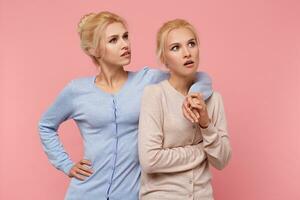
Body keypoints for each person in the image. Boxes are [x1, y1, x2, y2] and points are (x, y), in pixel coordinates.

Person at [38, 12, 213, 200]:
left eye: (125, 36)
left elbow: (198, 76)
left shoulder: (147, 80)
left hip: (131, 193)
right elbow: (45, 126)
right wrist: (66, 164)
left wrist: (194, 95)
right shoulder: (76, 91)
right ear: (95, 50)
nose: (125, 44)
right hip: (84, 192)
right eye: (114, 40)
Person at [138, 19, 232, 200]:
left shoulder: (214, 99)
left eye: (191, 44)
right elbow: (150, 160)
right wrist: (200, 151)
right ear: (164, 58)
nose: (187, 53)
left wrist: (206, 124)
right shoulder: (155, 95)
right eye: (175, 47)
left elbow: (221, 160)